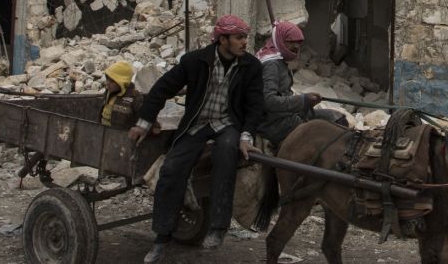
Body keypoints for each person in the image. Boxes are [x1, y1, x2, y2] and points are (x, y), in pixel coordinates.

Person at [128, 15, 265, 263]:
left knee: (227, 153)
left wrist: (246, 136)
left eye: (245, 37)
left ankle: (218, 227)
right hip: (197, 124)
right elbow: (162, 89)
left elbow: (255, 106)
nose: (245, 42)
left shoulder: (251, 67)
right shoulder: (195, 61)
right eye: (239, 38)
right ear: (222, 40)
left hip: (227, 124)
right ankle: (161, 239)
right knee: (171, 168)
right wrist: (143, 122)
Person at [256, 20, 348, 146]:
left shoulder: (278, 59)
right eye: (291, 42)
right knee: (324, 137)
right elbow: (269, 101)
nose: (296, 46)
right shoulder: (271, 64)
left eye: (298, 42)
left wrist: (305, 101)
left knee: (337, 118)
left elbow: (283, 94)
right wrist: (303, 100)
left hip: (284, 116)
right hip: (273, 123)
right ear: (280, 40)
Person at [100, 61, 142, 129]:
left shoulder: (134, 97)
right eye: (107, 79)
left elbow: (145, 115)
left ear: (122, 82)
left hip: (121, 135)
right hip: (104, 131)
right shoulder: (108, 93)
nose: (107, 83)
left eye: (112, 81)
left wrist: (154, 126)